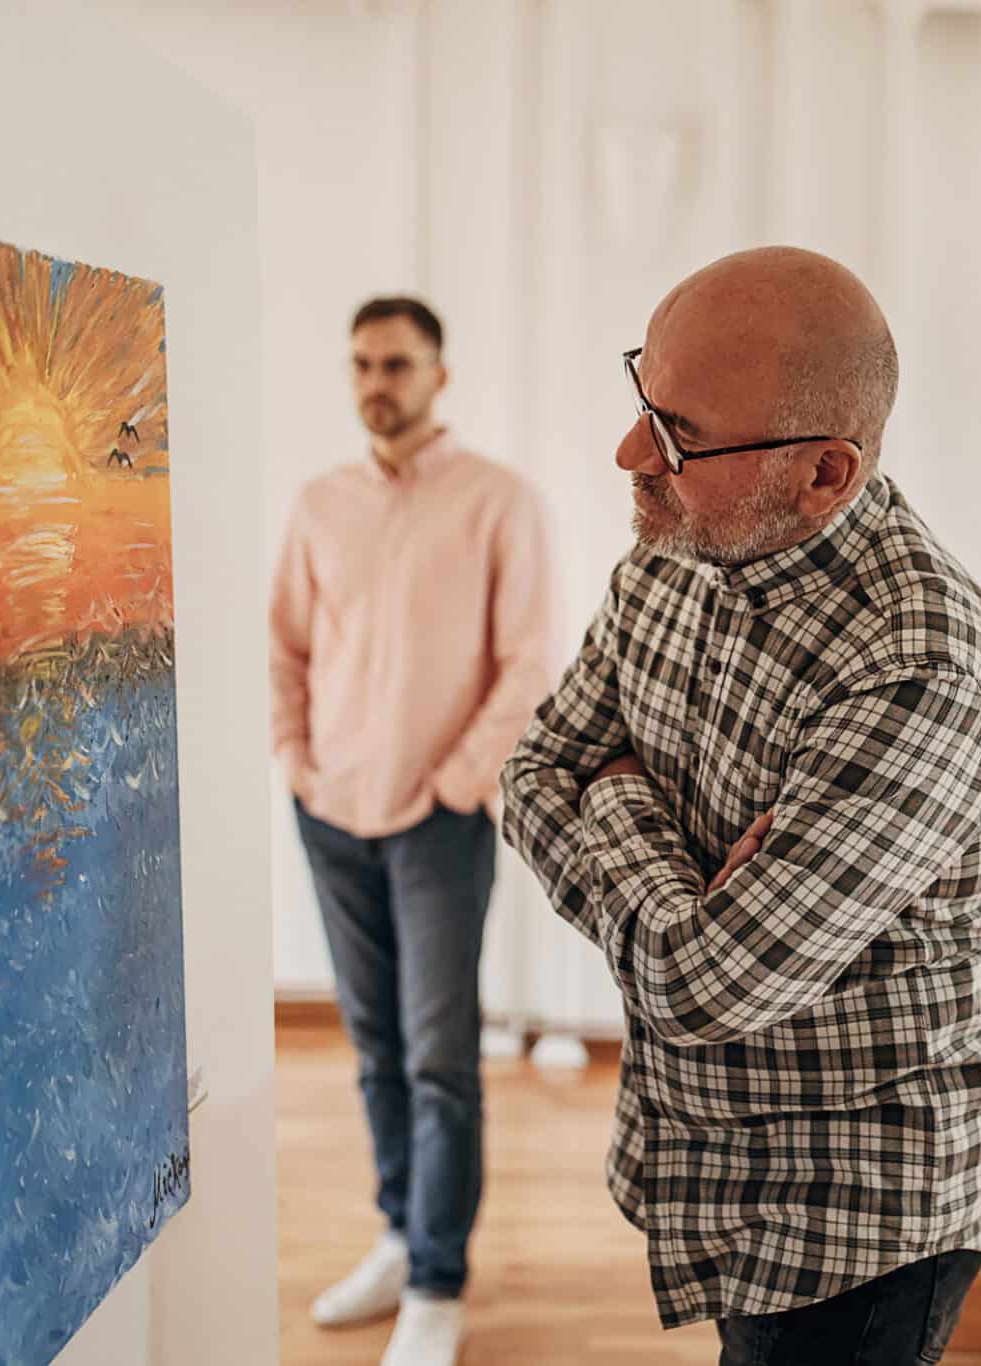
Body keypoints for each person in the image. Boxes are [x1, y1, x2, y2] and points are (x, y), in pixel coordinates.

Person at [500, 246, 981, 1365]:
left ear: (825, 473)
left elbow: (707, 983)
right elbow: (534, 774)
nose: (631, 453)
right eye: (647, 401)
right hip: (702, 1161)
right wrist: (669, 876)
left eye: (680, 434)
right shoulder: (670, 554)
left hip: (861, 1203)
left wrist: (619, 796)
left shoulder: (914, 656)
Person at [270, 296, 554, 1366]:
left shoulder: (499, 502)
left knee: (440, 1058)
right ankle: (399, 1234)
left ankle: (439, 1281)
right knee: (374, 1046)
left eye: (394, 362)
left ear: (439, 372)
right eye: (359, 364)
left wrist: (456, 782)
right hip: (329, 812)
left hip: (438, 821)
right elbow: (285, 648)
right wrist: (296, 763)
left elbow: (526, 663)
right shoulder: (319, 503)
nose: (374, 382)